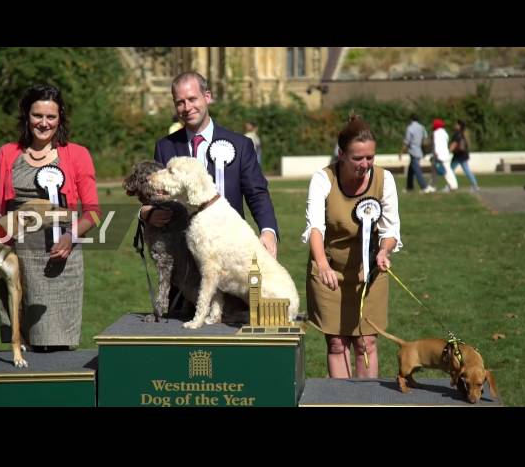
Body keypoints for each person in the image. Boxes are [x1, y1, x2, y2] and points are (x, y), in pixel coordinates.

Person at [0, 84, 100, 351]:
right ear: (27, 116)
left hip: (59, 260)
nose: (44, 123)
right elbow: (1, 204)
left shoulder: (77, 155)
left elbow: (93, 212)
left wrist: (71, 236)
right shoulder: (7, 153)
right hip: (15, 259)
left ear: (60, 119)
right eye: (37, 115)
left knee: (56, 348)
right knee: (22, 348)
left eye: (51, 117)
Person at [302, 113, 402, 378]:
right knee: (337, 343)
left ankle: (368, 402)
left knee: (366, 342)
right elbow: (315, 228)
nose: (365, 164)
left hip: (369, 271)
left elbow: (391, 230)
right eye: (358, 158)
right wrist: (322, 265)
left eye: (370, 157)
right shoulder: (323, 179)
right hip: (330, 269)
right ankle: (341, 400)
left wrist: (384, 250)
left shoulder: (384, 180)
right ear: (341, 155)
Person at [144, 71, 279, 258]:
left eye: (192, 99)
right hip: (184, 255)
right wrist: (146, 213)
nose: (187, 107)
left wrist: (268, 231)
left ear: (207, 97)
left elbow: (257, 194)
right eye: (180, 102)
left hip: (232, 251)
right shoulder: (165, 147)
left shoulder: (240, 145)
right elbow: (158, 199)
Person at [400, 114, 434, 193]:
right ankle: (409, 187)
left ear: (411, 119)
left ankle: (424, 186)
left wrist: (401, 152)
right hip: (420, 150)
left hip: (413, 151)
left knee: (417, 170)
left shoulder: (410, 128)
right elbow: (425, 138)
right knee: (411, 170)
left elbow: (407, 141)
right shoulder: (422, 127)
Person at [450, 119, 480, 192]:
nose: (455, 125)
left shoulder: (457, 134)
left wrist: (449, 150)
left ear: (459, 126)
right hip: (463, 154)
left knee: (450, 171)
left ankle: (450, 186)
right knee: (466, 170)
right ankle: (475, 185)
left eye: (456, 124)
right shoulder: (464, 133)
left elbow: (454, 144)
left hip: (458, 155)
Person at [431, 118, 458, 192]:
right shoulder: (445, 133)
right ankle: (453, 185)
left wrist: (436, 153)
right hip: (446, 154)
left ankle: (452, 185)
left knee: (445, 171)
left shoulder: (436, 133)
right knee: (448, 170)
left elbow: (436, 144)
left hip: (440, 155)